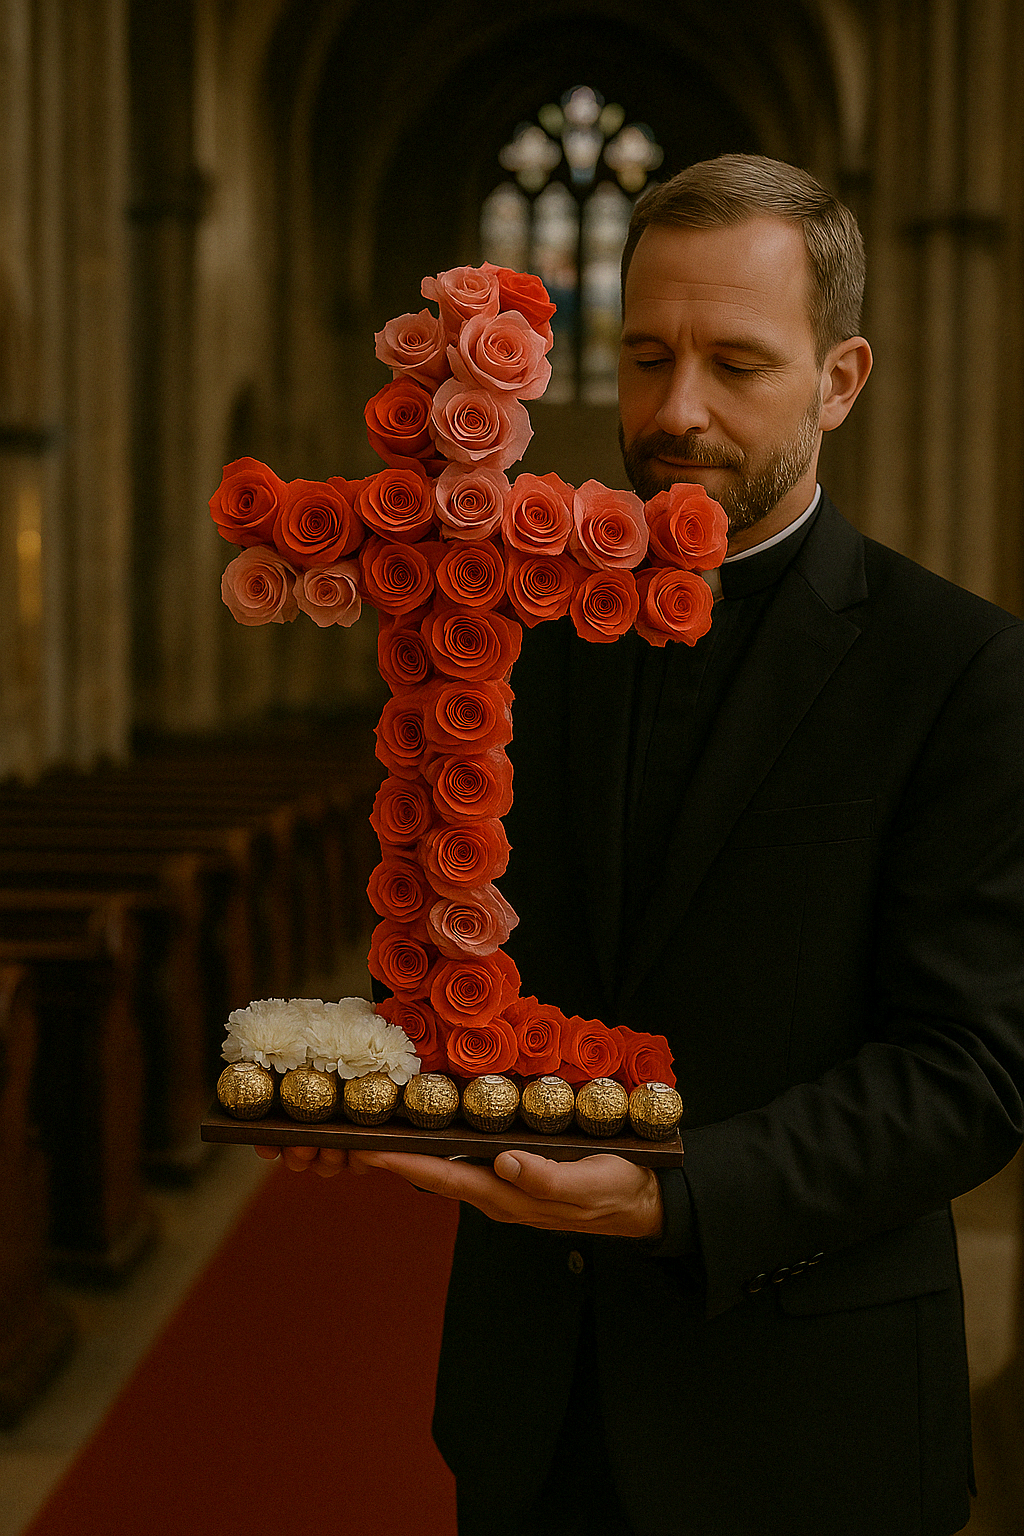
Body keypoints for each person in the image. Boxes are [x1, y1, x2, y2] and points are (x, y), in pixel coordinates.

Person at [258, 155, 1024, 1535]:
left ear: (841, 379)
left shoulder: (963, 669)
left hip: (807, 1412)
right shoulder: (524, 628)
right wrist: (373, 1090)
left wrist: (681, 1202)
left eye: (738, 362)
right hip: (530, 1406)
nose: (678, 413)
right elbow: (503, 952)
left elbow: (971, 1070)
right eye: (648, 354)